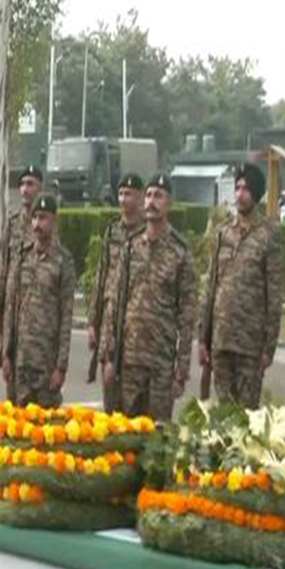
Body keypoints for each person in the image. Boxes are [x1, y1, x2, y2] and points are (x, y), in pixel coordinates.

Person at [100, 174, 195, 422]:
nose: (152, 201)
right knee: (124, 439)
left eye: (159, 196)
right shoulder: (130, 247)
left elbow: (187, 315)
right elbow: (114, 302)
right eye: (150, 195)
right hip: (129, 363)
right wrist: (107, 355)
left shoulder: (180, 252)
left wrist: (181, 371)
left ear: (169, 203)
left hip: (160, 366)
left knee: (157, 443)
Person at [199, 162, 283, 409]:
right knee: (223, 415)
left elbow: (274, 294)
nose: (240, 193)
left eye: (246, 188)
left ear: (255, 194)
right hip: (221, 340)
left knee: (247, 419)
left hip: (250, 344)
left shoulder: (269, 235)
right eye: (237, 187)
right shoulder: (222, 233)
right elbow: (211, 286)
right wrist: (203, 338)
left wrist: (269, 346)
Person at [2, 194, 75, 408]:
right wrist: (6, 355)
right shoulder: (22, 256)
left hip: (47, 362)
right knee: (18, 429)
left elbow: (66, 316)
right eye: (34, 218)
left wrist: (61, 367)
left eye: (43, 218)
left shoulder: (63, 261)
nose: (37, 224)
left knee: (46, 432)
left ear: (53, 221)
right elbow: (10, 308)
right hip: (21, 362)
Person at [86, 173, 146, 412]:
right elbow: (100, 278)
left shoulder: (146, 232)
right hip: (109, 317)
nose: (123, 200)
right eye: (121, 194)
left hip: (134, 319)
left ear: (141, 197)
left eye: (129, 194)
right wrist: (93, 320)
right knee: (109, 389)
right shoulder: (112, 231)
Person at [0, 165, 43, 397]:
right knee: (10, 378)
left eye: (30, 184)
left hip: (38, 314)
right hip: (13, 312)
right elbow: (4, 269)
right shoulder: (12, 225)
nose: (24, 190)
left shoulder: (48, 222)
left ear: (40, 188)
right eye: (22, 184)